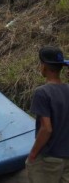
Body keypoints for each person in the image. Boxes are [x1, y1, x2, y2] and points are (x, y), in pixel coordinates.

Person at [26, 46, 69, 183]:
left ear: (43, 66)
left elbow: (46, 128)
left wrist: (33, 154)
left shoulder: (42, 92)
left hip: (49, 158)